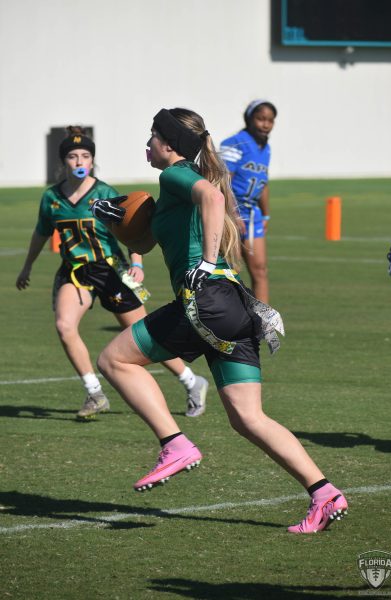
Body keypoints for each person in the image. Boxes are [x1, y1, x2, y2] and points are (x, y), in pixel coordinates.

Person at [91, 107, 348, 534]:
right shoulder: (176, 186)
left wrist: (207, 262)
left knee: (114, 360)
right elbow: (151, 238)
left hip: (205, 300)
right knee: (248, 418)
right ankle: (325, 493)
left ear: (169, 144)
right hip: (231, 305)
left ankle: (174, 444)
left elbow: (212, 198)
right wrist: (118, 220)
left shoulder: (175, 175)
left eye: (153, 136)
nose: (148, 144)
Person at [16, 126, 208, 420]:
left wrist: (137, 263)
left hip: (110, 271)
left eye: (85, 156)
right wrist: (27, 266)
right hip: (75, 272)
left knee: (145, 336)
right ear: (63, 161)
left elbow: (132, 227)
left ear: (92, 160)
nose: (79, 161)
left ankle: (192, 382)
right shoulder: (51, 198)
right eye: (73, 156)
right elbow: (41, 233)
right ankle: (94, 393)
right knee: (65, 326)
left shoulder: (104, 193)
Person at [220, 99, 277, 304]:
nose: (265, 124)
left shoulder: (265, 148)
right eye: (261, 119)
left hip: (253, 215)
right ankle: (225, 316)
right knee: (229, 270)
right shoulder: (234, 143)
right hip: (229, 213)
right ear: (249, 119)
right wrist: (233, 214)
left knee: (260, 269)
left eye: (270, 120)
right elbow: (224, 182)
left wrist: (266, 214)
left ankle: (264, 318)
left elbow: (263, 183)